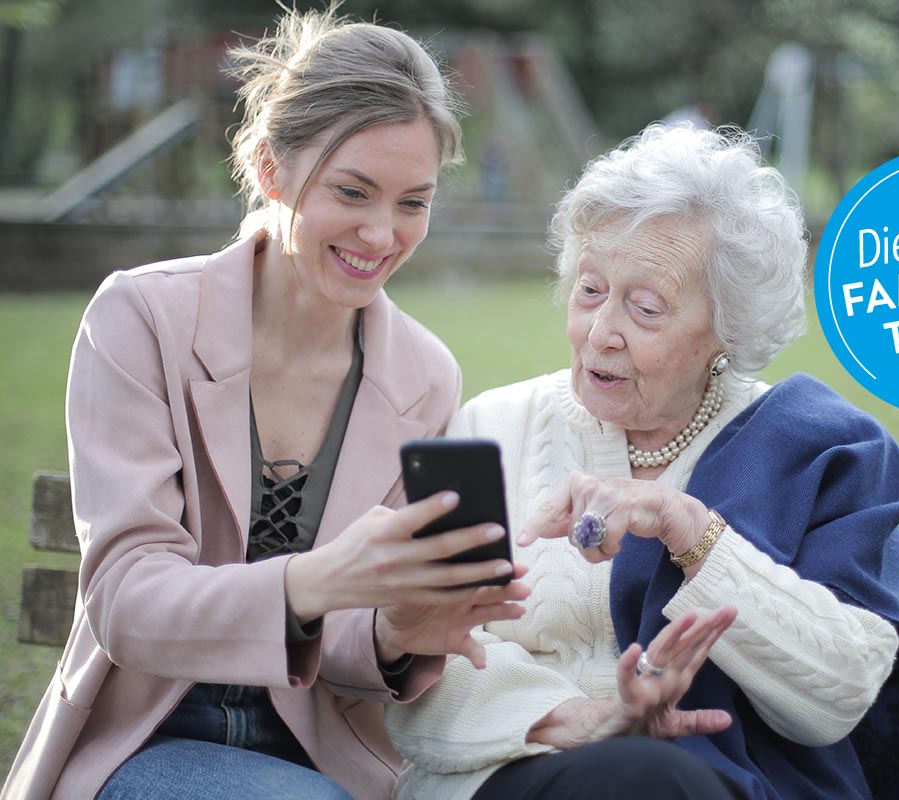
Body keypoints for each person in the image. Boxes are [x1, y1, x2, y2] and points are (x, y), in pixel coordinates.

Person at [2, 6, 530, 800]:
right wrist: (314, 580)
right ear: (269, 167)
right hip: (145, 738)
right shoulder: (141, 318)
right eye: (353, 191)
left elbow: (351, 640)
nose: (382, 234)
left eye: (414, 202)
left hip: (329, 758)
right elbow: (126, 599)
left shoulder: (424, 373)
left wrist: (397, 630)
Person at [385, 124, 899, 800]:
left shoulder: (822, 450)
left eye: (645, 308)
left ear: (729, 329)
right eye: (589, 290)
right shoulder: (491, 428)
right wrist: (573, 718)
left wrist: (693, 533)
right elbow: (420, 658)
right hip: (506, 777)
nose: (600, 332)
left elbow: (841, 693)